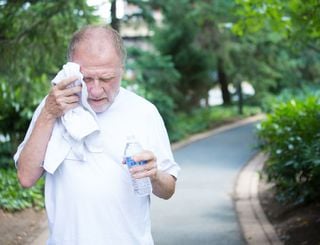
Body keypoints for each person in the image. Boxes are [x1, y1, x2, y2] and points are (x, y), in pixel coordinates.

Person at [14, 25, 180, 245]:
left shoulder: (144, 112)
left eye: (106, 78)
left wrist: (154, 174)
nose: (94, 90)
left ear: (122, 69)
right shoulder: (54, 106)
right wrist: (49, 114)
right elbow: (26, 177)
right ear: (71, 69)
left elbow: (168, 189)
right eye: (86, 79)